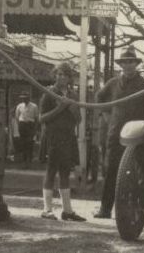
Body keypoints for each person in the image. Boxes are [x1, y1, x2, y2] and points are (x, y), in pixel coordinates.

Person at [94, 47, 144, 219]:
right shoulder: (113, 83)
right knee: (111, 171)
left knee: (140, 172)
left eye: (131, 62)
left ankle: (138, 209)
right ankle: (105, 209)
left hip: (137, 137)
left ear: (136, 64)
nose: (128, 65)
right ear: (121, 65)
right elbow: (99, 98)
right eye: (124, 62)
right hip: (116, 135)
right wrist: (106, 116)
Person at [39, 62, 85, 221]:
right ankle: (47, 210)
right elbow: (42, 118)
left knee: (65, 172)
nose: (62, 77)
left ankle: (67, 211)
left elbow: (79, 119)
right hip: (53, 136)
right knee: (51, 171)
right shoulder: (49, 93)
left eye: (65, 75)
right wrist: (60, 108)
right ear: (55, 76)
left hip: (68, 136)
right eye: (59, 74)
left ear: (69, 77)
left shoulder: (73, 95)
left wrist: (72, 109)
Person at [13, 92, 40, 166]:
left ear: (29, 98)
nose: (24, 99)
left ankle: (29, 159)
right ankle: (24, 160)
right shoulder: (19, 106)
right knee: (23, 142)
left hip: (30, 125)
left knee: (30, 142)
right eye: (23, 98)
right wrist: (20, 125)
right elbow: (17, 117)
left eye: (25, 98)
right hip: (22, 125)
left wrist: (35, 128)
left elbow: (36, 118)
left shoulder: (34, 106)